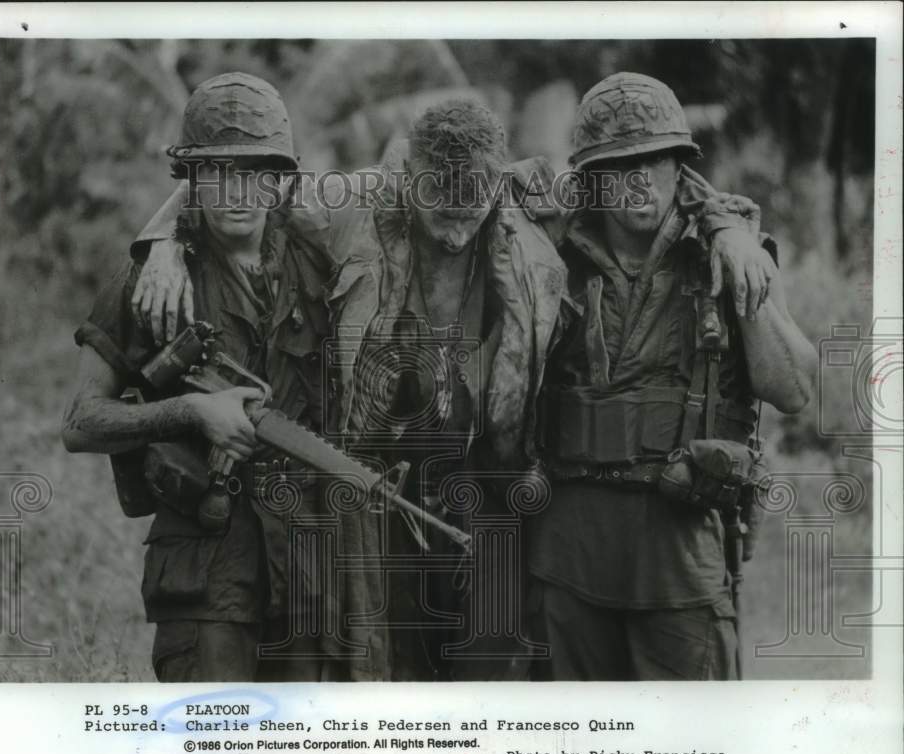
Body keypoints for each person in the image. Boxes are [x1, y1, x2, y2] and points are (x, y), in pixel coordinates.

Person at [128, 95, 773, 681]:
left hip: (486, 489)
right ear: (411, 184)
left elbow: (649, 180)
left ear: (497, 186)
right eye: (440, 216)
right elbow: (237, 181)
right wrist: (159, 240)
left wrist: (728, 225)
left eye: (472, 213)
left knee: (493, 668)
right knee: (379, 669)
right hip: (372, 487)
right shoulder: (351, 205)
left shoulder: (532, 203)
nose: (456, 233)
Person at [526, 72, 816, 681]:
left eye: (655, 160)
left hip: (680, 545)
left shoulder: (727, 250)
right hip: (570, 549)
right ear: (591, 180)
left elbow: (792, 390)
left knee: (686, 750)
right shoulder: (549, 251)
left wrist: (737, 258)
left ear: (680, 167)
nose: (639, 180)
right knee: (576, 753)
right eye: (619, 165)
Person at [61, 72, 332, 682]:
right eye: (217, 173)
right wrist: (189, 412)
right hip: (206, 566)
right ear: (190, 181)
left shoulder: (320, 265)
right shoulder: (147, 286)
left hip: (309, 567)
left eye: (256, 173)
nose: (238, 192)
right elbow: (79, 424)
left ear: (281, 178)